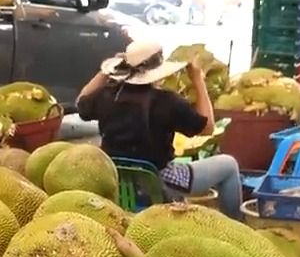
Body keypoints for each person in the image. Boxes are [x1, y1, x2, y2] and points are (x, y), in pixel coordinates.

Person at [77, 40, 244, 219]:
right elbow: (208, 127)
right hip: (158, 181)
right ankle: (237, 224)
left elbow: (81, 101)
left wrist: (105, 72)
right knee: (228, 165)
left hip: (116, 178)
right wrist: (197, 80)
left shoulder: (108, 95)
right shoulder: (167, 102)